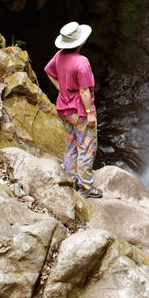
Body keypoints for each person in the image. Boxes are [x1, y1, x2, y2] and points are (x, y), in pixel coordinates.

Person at [43, 21, 102, 198]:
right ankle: (85, 187)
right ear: (80, 42)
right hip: (80, 112)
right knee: (86, 146)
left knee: (71, 145)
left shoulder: (59, 56)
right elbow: (84, 91)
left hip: (64, 109)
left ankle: (71, 179)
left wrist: (61, 88)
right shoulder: (82, 62)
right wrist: (90, 113)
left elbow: (48, 70)